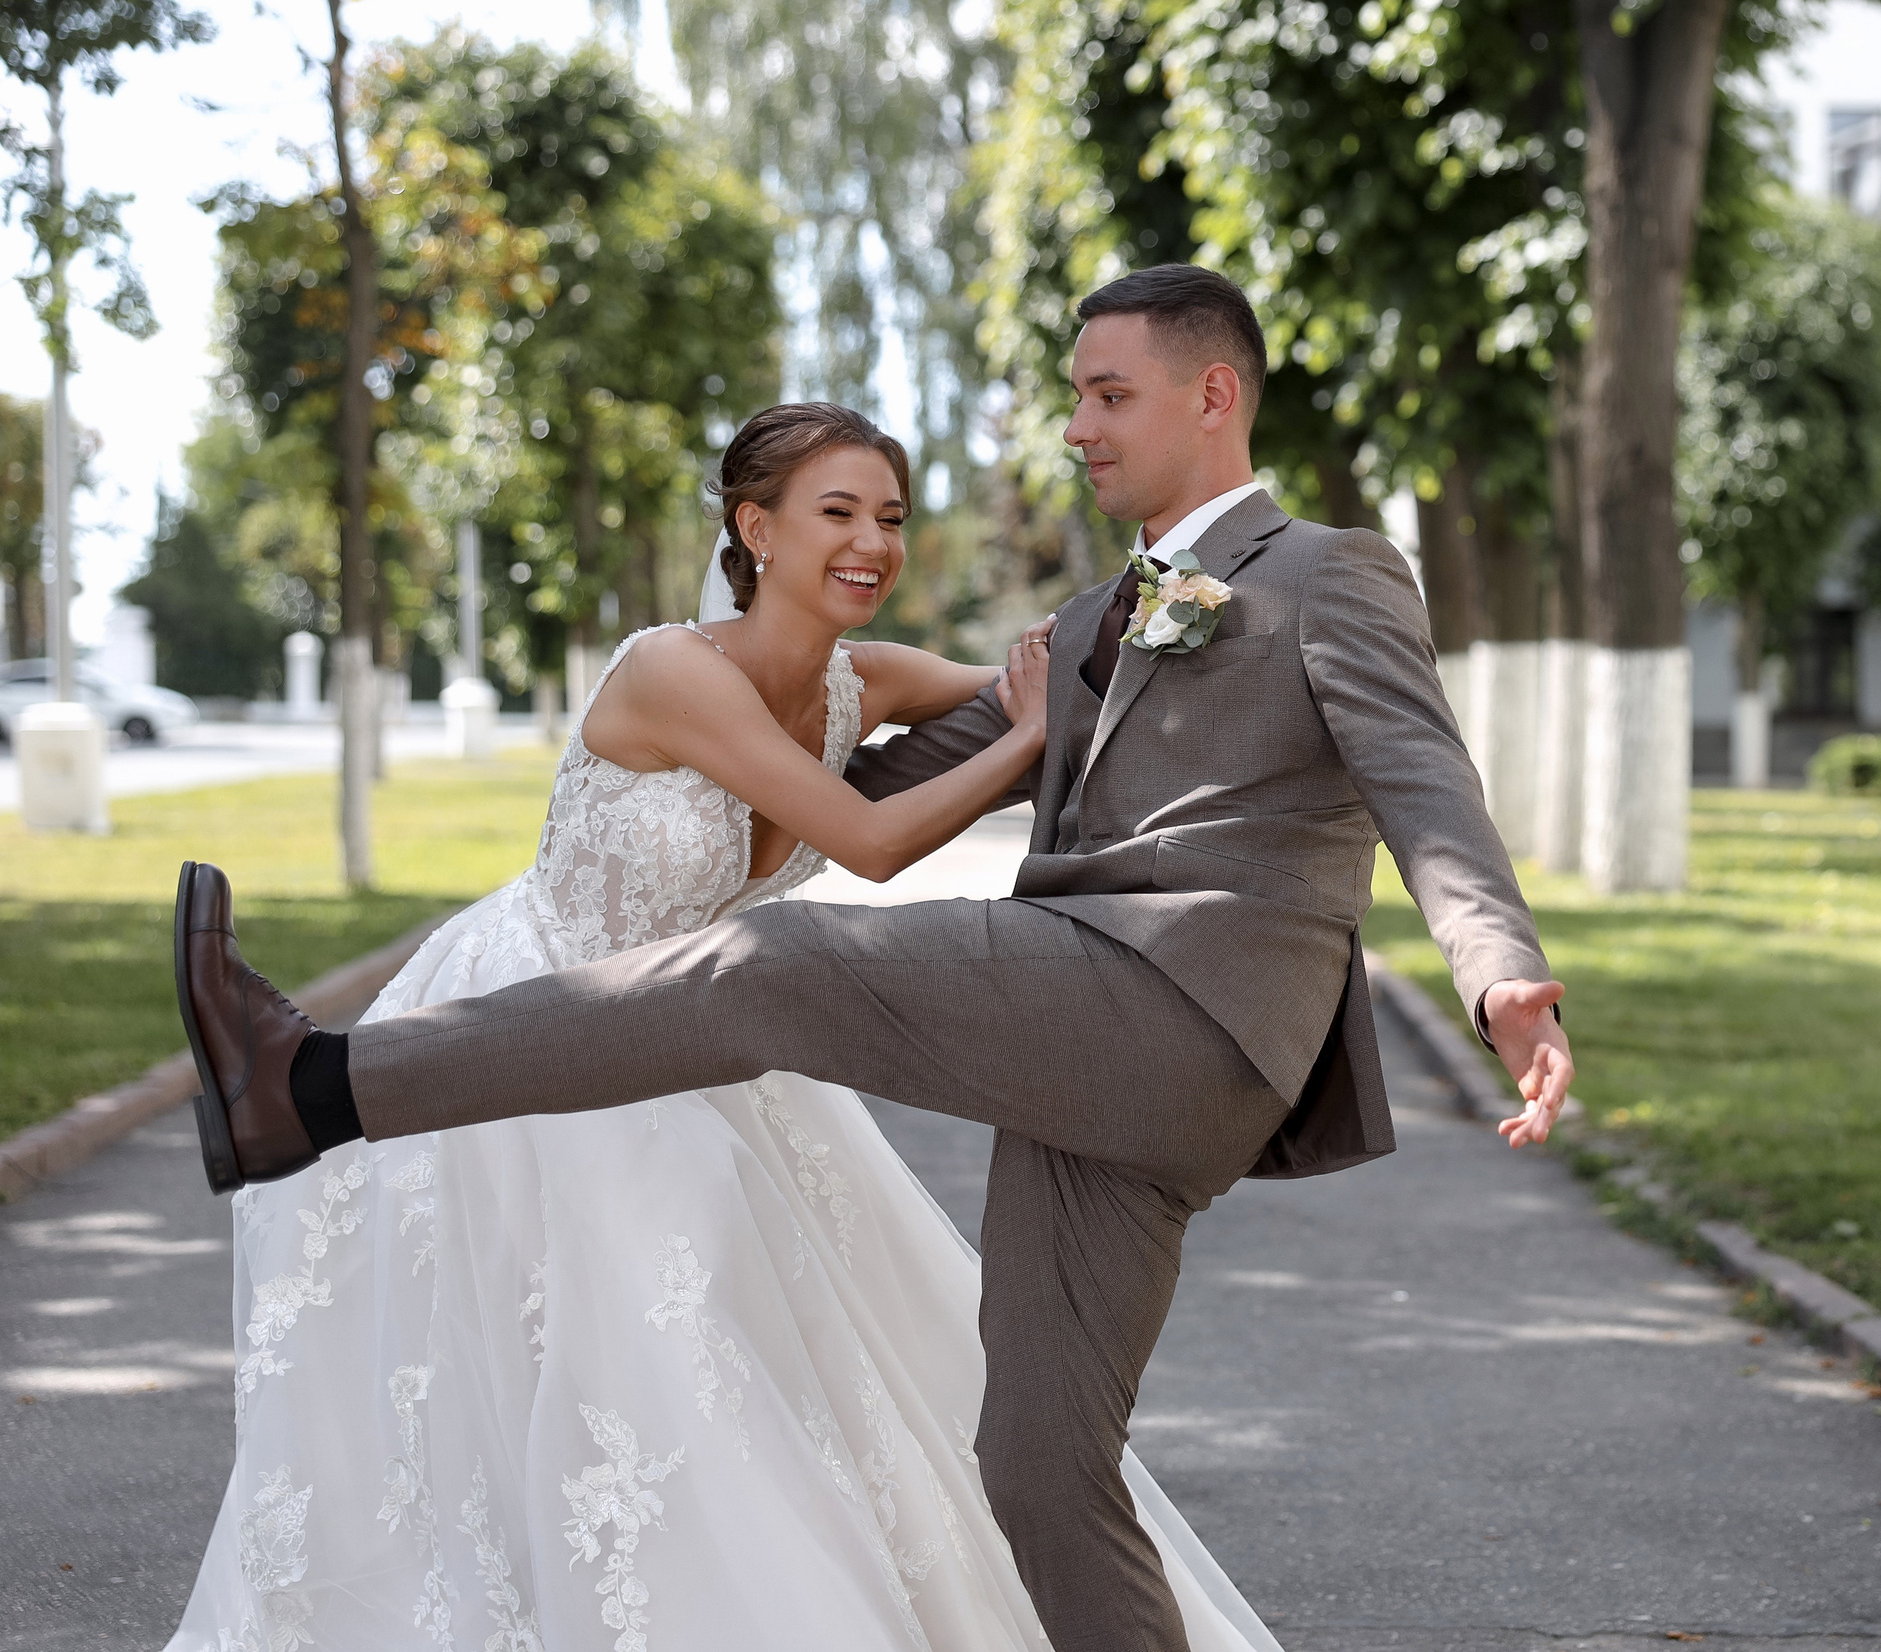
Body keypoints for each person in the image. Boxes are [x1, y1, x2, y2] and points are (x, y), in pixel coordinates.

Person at [177, 264, 1576, 1652]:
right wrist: (740, 701)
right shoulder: (1089, 624)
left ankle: (309, 1088)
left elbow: (1423, 779)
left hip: (1180, 1002)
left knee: (770, 969)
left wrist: (1495, 966)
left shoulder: (1332, 574)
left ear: (1212, 394)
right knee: (1036, 1468)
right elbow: (878, 775)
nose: (1077, 429)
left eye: (1108, 395)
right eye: (1073, 399)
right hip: (1083, 1055)